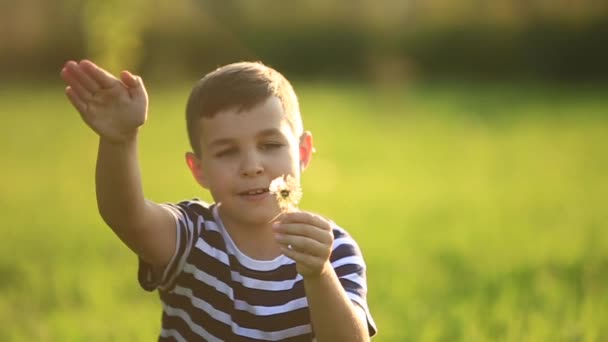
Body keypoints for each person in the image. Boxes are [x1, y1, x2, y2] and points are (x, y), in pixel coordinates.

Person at [60, 59, 377, 341]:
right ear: (199, 170)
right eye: (227, 152)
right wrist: (120, 141)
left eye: (269, 144)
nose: (252, 166)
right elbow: (127, 217)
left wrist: (319, 274)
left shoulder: (334, 251)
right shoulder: (191, 234)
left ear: (303, 152)